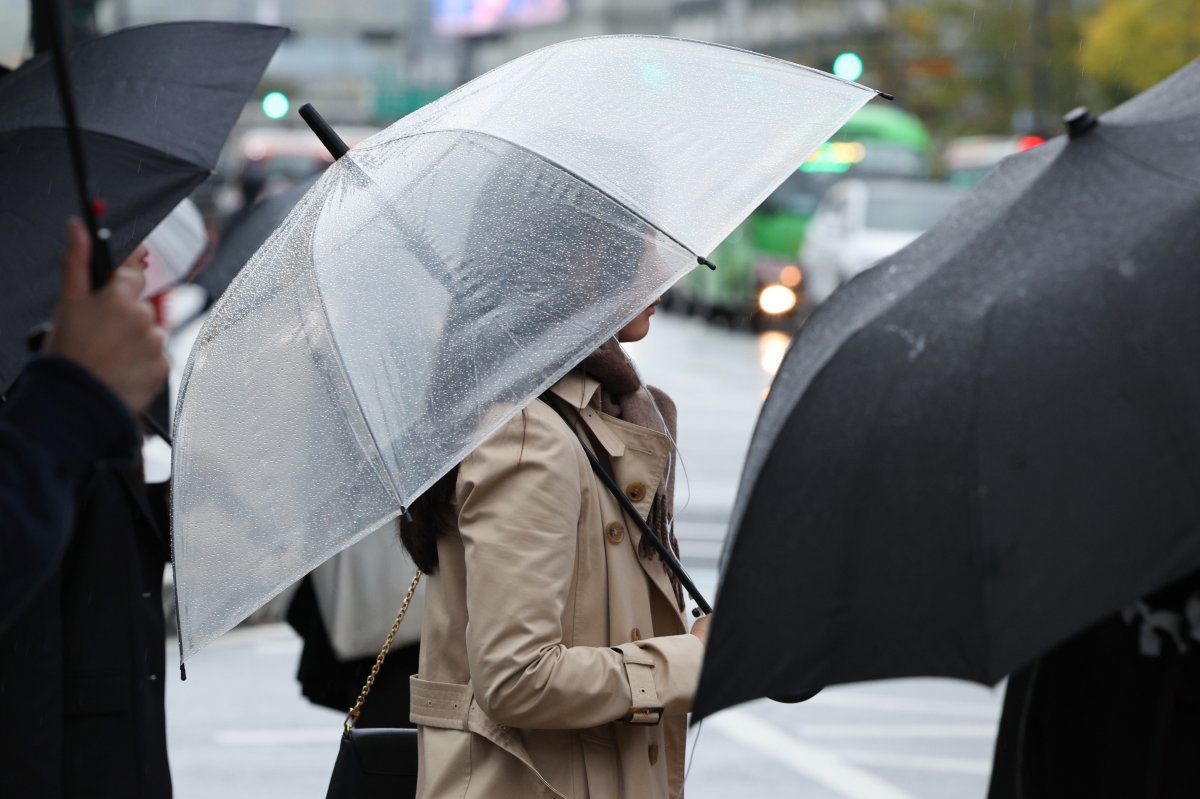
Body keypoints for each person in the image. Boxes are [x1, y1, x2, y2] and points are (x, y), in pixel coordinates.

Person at [401, 299, 709, 799]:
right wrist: (695, 660)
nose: (661, 271)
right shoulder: (528, 435)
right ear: (581, 266)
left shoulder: (598, 411)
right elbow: (517, 677)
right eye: (638, 252)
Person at [0, 220, 174, 798]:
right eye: (125, 226)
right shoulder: (34, 375)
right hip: (60, 752)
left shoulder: (112, 356)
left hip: (122, 724)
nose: (147, 248)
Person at [1, 220, 168, 630]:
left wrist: (169, 505)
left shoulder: (100, 356)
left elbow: (98, 521)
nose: (145, 242)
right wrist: (73, 403)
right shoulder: (34, 373)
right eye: (119, 219)